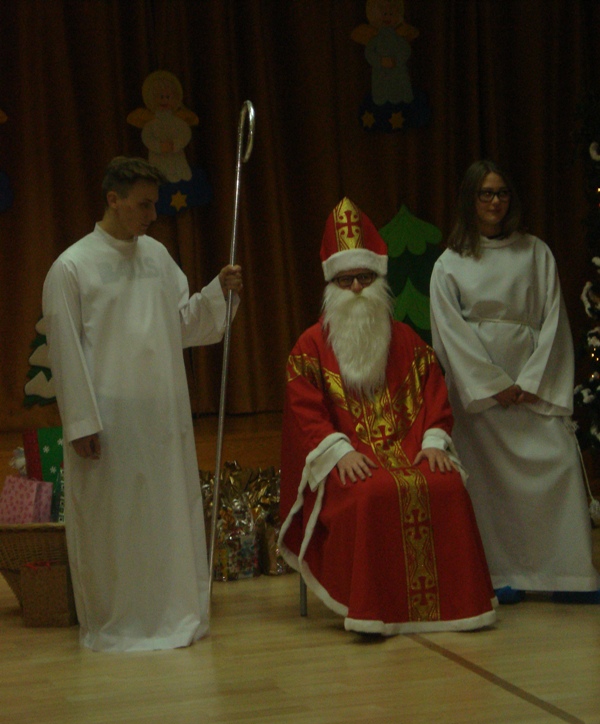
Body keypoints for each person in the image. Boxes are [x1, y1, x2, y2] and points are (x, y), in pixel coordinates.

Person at [42, 156, 243, 651]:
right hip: (108, 422)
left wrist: (218, 293)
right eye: (143, 205)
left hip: (162, 416)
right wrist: (81, 422)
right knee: (115, 526)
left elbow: (183, 324)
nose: (153, 215)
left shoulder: (156, 256)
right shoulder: (72, 266)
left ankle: (172, 614)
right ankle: (118, 623)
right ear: (113, 200)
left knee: (164, 518)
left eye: (155, 204)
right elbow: (65, 351)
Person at [278, 197, 497, 636]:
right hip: (348, 459)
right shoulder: (309, 348)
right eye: (346, 280)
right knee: (370, 492)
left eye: (365, 277)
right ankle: (372, 608)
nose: (357, 288)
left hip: (409, 451)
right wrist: (338, 453)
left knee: (448, 486)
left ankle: (459, 607)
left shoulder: (407, 341)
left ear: (379, 280)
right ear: (331, 285)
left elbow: (435, 396)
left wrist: (433, 441)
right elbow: (305, 414)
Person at [429, 159, 600, 604]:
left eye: (502, 193)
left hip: (532, 387)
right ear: (470, 199)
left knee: (560, 463)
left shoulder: (535, 252)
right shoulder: (449, 263)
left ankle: (567, 576)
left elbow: (553, 319)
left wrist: (531, 381)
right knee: (490, 487)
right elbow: (450, 333)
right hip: (482, 399)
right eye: (486, 193)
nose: (495, 202)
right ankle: (501, 574)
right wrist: (492, 384)